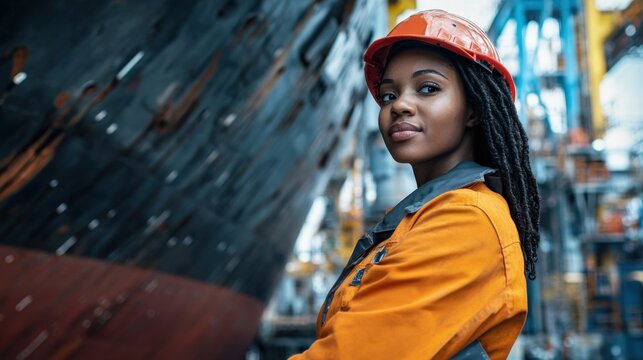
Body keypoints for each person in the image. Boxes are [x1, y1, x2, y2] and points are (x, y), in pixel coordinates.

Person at [289, 9, 540, 359]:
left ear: (474, 110)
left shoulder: (466, 222)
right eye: (389, 95)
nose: (401, 105)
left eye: (428, 88)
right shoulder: (418, 218)